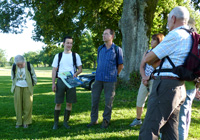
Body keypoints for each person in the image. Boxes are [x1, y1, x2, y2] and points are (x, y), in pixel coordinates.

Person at [139, 6, 192, 139]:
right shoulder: (191, 36)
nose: (168, 23)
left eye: (168, 20)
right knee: (170, 130)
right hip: (180, 87)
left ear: (173, 19)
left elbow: (148, 58)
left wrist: (156, 62)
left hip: (165, 86)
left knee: (149, 128)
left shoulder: (175, 35)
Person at [87, 28, 123, 129]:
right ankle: (93, 120)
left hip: (110, 80)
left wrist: (115, 74)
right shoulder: (100, 48)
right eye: (103, 34)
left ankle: (106, 120)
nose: (103, 36)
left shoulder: (117, 49)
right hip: (98, 79)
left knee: (108, 102)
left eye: (106, 34)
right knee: (94, 100)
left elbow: (120, 65)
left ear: (112, 36)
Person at [129, 33, 164, 127]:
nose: (151, 41)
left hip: (154, 80)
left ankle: (152, 121)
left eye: (154, 40)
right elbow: (141, 66)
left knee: (153, 102)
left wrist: (149, 77)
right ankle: (138, 119)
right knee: (140, 99)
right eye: (151, 39)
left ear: (159, 41)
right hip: (144, 81)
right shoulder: (147, 52)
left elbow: (159, 68)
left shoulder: (161, 53)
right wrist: (144, 77)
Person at [51, 36, 82, 130]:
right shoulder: (58, 56)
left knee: (69, 103)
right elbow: (54, 70)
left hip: (71, 81)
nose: (69, 45)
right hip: (60, 80)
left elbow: (80, 69)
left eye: (71, 43)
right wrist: (53, 83)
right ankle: (56, 123)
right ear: (63, 43)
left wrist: (76, 73)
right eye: (67, 43)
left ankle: (65, 122)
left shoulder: (75, 55)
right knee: (58, 103)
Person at [11, 55, 37, 128]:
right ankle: (18, 122)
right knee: (18, 105)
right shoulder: (14, 66)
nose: (19, 66)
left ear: (24, 61)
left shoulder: (29, 65)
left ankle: (26, 121)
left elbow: (34, 75)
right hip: (17, 87)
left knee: (28, 105)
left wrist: (33, 85)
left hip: (27, 87)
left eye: (21, 64)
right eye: (18, 65)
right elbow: (12, 76)